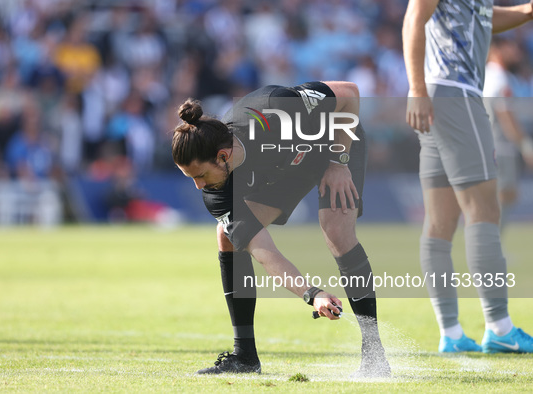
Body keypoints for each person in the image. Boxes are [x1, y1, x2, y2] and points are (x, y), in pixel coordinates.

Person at [172, 81, 390, 377]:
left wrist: (339, 162)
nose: (199, 186)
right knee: (228, 238)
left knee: (336, 231)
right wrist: (312, 293)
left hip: (335, 146)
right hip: (285, 171)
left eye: (200, 175)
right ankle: (245, 357)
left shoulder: (275, 109)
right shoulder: (217, 191)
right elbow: (265, 251)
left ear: (223, 155)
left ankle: (374, 355)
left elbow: (349, 94)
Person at [403, 0, 533, 353]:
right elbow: (414, 16)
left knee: (439, 223)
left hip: (440, 95)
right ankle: (501, 329)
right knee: (485, 214)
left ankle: (452, 335)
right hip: (455, 93)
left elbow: (482, 17)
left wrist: (526, 11)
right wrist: (415, 89)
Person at [483, 37, 533, 232]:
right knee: (505, 195)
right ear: (498, 49)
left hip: (487, 144)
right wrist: (525, 146)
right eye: (512, 46)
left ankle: (489, 246)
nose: (516, 52)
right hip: (500, 147)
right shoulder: (499, 78)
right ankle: (491, 247)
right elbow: (506, 116)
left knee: (500, 196)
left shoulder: (485, 74)